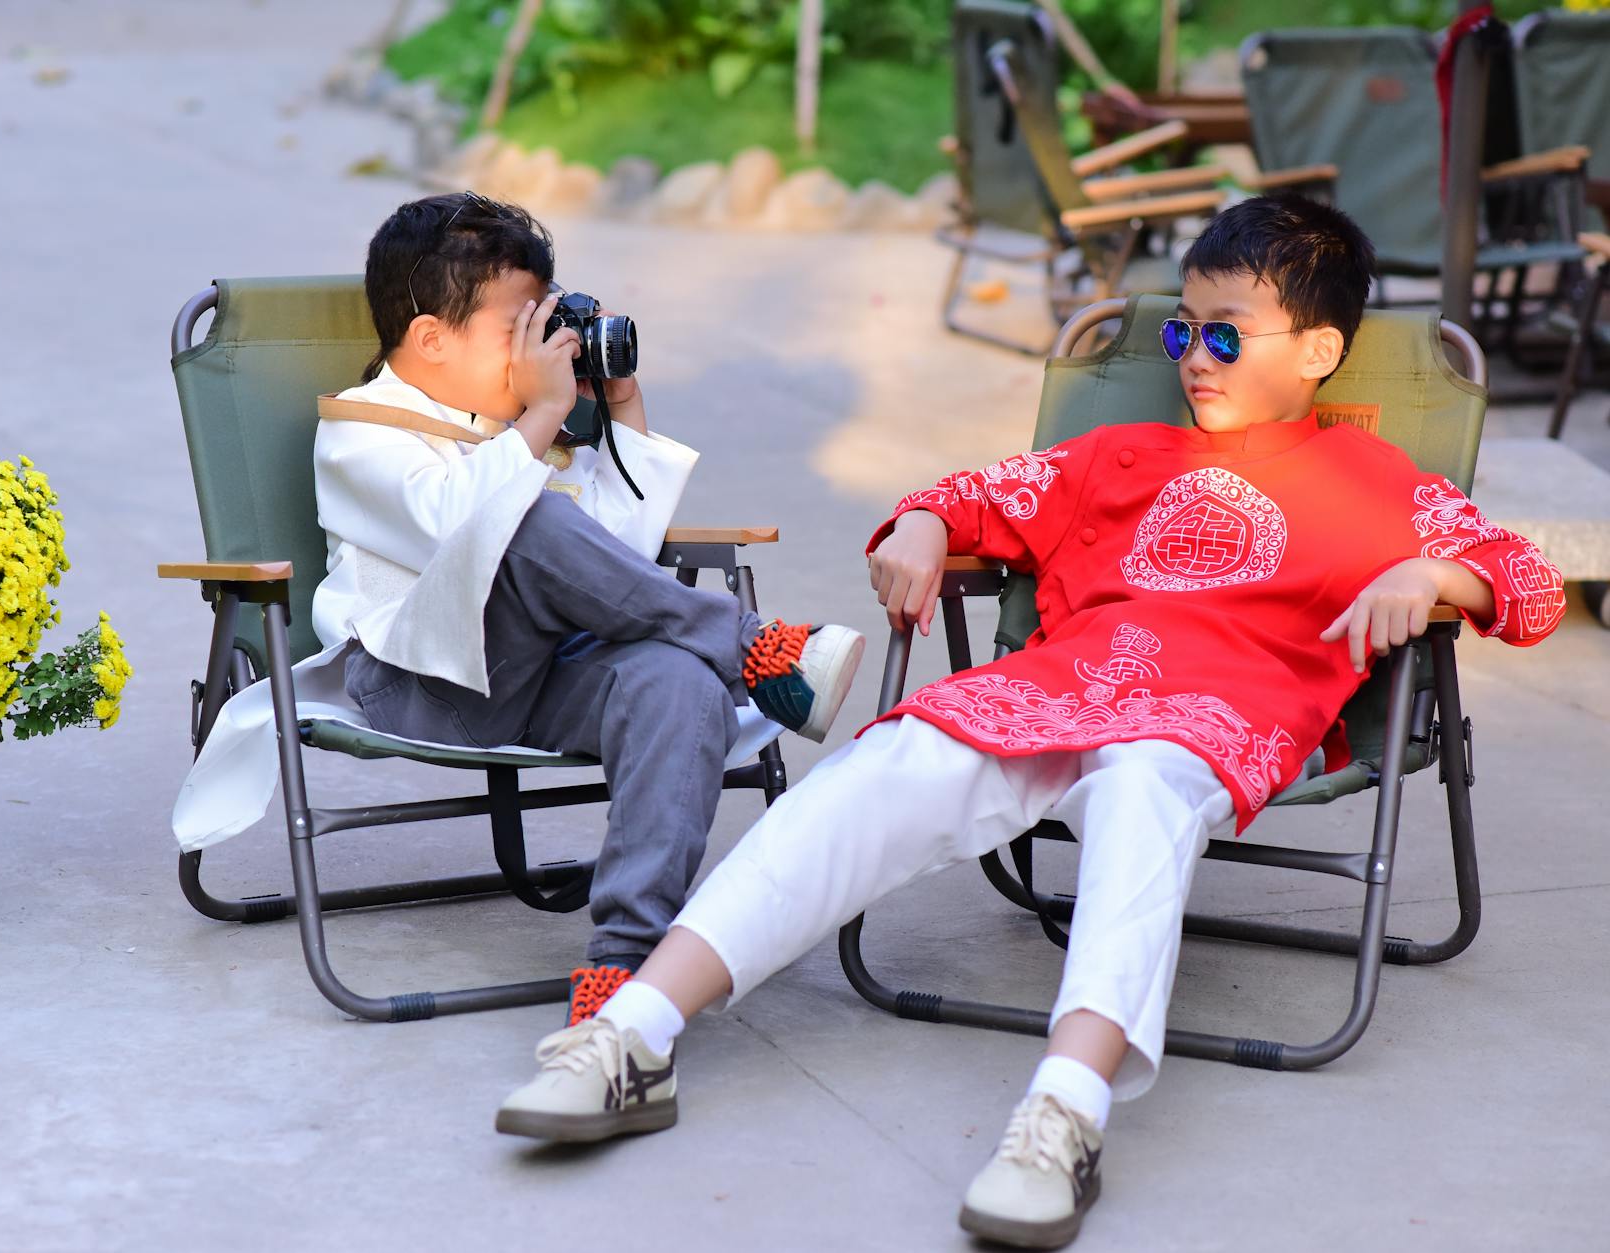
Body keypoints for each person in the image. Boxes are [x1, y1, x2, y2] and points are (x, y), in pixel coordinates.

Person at [494, 195, 1566, 1249]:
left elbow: (1525, 582)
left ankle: (1063, 1115)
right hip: (1046, 693)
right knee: (884, 763)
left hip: (1208, 716)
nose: (1193, 355)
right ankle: (632, 1033)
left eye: (1225, 334)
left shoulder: (1376, 482)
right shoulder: (1116, 457)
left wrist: (1437, 573)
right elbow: (970, 492)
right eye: (1182, 329)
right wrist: (918, 520)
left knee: (1145, 790)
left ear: (1319, 349)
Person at [318, 191, 863, 1022]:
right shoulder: (359, 431)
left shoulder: (523, 426)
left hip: (541, 677)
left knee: (675, 677)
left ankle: (624, 974)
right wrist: (538, 415)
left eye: (550, 326)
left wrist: (616, 402)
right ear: (432, 338)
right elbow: (458, 522)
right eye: (520, 332)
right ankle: (755, 650)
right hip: (422, 684)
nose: (545, 352)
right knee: (523, 510)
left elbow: (616, 565)